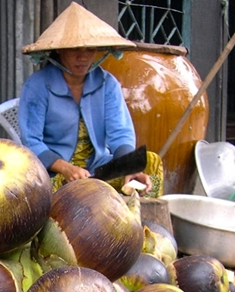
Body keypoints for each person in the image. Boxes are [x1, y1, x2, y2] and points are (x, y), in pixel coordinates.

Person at [18, 2, 162, 197]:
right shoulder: (37, 85)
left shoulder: (107, 84)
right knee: (44, 193)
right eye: (75, 49)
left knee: (150, 168)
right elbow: (32, 142)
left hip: (97, 169)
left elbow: (120, 133)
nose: (82, 57)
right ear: (59, 50)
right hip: (53, 173)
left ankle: (137, 225)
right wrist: (66, 168)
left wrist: (130, 168)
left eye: (89, 49)